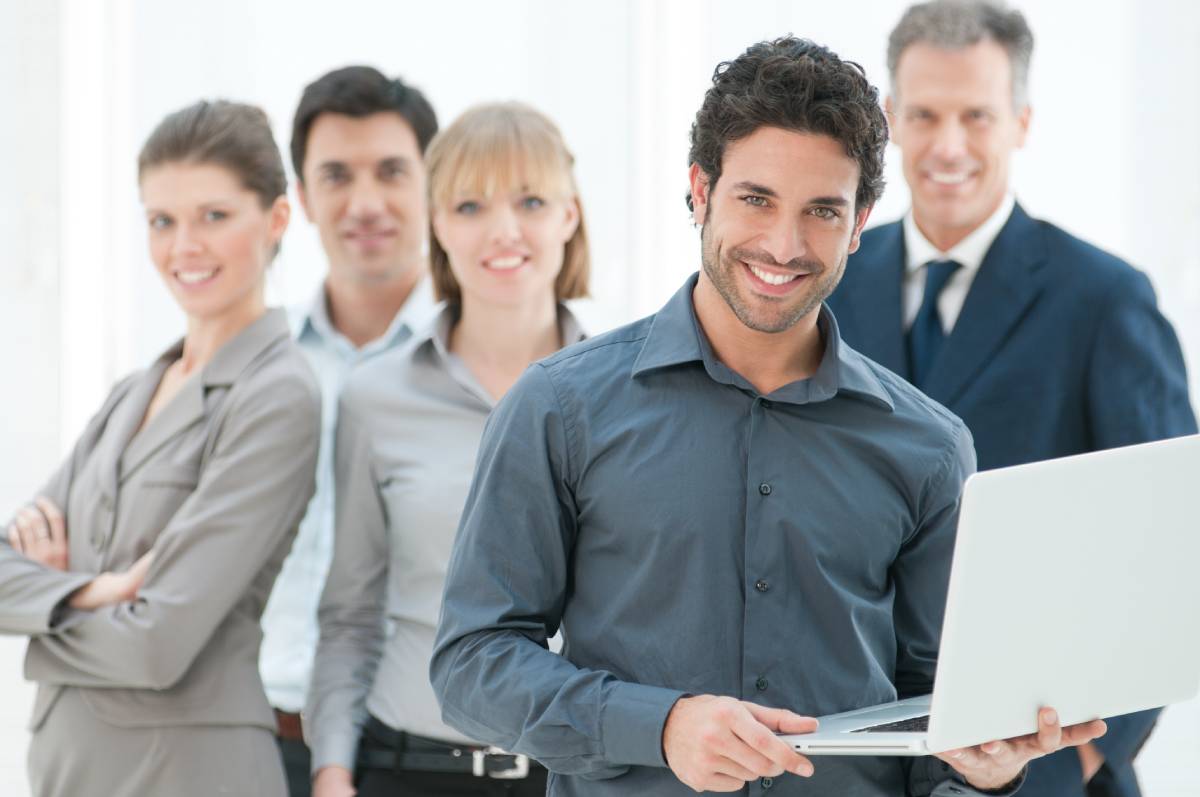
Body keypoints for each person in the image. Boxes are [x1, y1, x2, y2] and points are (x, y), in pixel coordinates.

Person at [430, 37, 1105, 797]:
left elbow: (937, 718)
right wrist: (658, 724)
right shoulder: (561, 406)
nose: (784, 246)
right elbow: (472, 662)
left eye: (821, 210)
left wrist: (984, 778)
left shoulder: (931, 448)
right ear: (699, 190)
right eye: (755, 199)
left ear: (860, 222)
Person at [825, 3, 1197, 795]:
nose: (948, 145)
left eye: (977, 116)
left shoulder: (1102, 299)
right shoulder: (831, 282)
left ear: (1022, 122)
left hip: (1039, 760)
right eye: (923, 114)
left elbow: (1175, 537)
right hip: (856, 750)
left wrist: (1087, 753)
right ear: (889, 119)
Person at [0, 99, 320, 797]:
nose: (184, 248)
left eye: (214, 216)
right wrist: (92, 590)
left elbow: (158, 642)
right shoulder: (133, 390)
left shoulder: (277, 394)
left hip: (185, 772)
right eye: (161, 221)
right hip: (74, 771)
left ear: (275, 220)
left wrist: (38, 613)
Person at [307, 101, 589, 797]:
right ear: (436, 222)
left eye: (529, 200)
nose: (503, 231)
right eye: (469, 205)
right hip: (408, 768)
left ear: (569, 216)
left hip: (580, 773)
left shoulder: (627, 393)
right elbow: (351, 610)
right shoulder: (376, 397)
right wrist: (332, 773)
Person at [256, 65, 439, 797]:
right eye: (335, 175)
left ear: (431, 181)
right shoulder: (260, 363)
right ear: (301, 197)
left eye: (392, 171)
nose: (365, 202)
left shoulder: (483, 362)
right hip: (267, 741)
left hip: (424, 755)